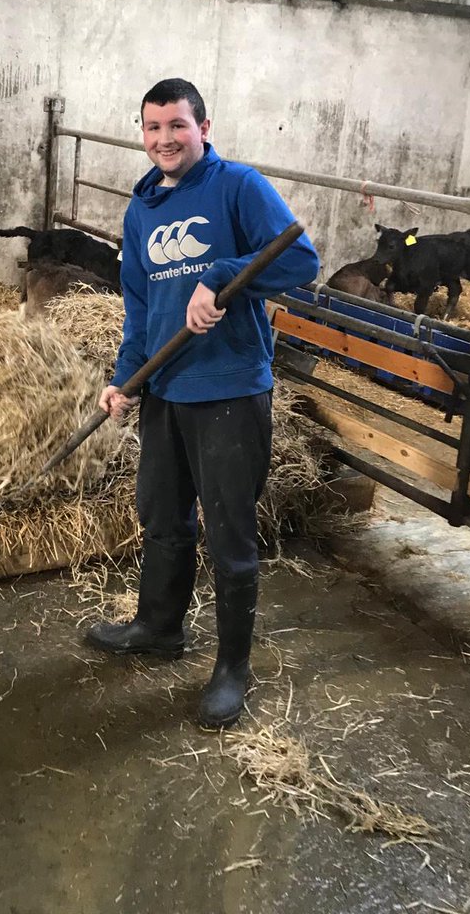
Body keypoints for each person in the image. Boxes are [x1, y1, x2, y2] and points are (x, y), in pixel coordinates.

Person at [85, 78, 319, 729]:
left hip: (230, 392)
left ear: (204, 127)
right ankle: (159, 628)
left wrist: (221, 278)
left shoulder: (237, 186)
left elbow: (300, 259)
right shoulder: (141, 209)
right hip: (165, 389)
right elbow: (142, 306)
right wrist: (125, 378)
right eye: (153, 127)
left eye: (177, 126)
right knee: (162, 515)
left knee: (229, 532)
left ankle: (232, 670)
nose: (164, 138)